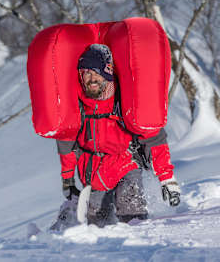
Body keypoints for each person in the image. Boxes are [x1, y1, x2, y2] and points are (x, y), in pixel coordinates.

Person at [55, 44, 181, 228]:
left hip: (125, 163)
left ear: (107, 72)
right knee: (96, 223)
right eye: (86, 73)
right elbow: (66, 143)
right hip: (94, 172)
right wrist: (67, 180)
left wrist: (167, 179)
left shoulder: (125, 101)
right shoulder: (78, 105)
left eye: (95, 72)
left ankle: (139, 247)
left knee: (131, 211)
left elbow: (154, 138)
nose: (91, 79)